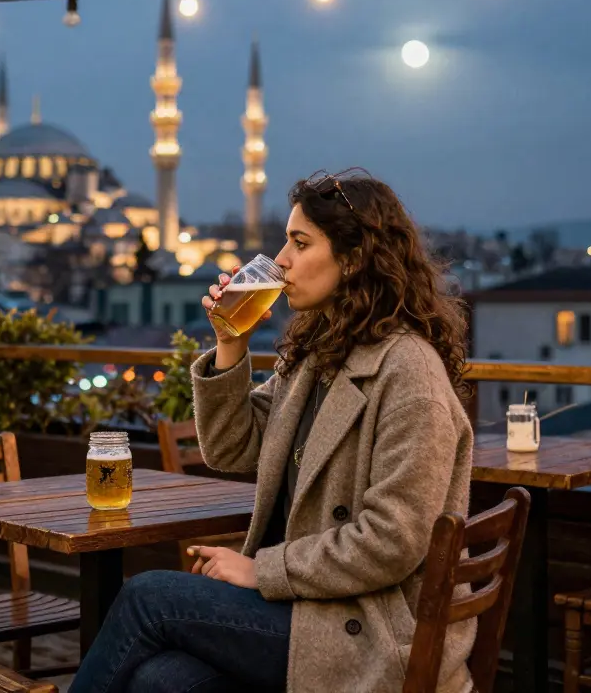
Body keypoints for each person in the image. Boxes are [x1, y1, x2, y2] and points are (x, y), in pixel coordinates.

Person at [69, 169, 476, 693]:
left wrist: (260, 570)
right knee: (158, 680)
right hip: (308, 608)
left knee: (149, 597)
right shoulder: (318, 354)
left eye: (300, 242)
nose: (281, 259)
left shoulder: (408, 373)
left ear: (353, 259)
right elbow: (231, 449)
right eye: (285, 240)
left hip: (371, 631)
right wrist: (230, 342)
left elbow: (390, 542)